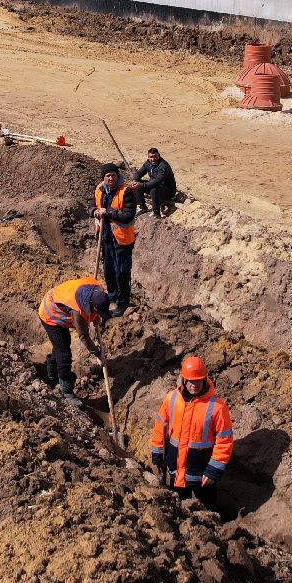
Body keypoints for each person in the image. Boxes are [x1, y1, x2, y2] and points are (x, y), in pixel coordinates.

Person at [150, 355, 234, 513]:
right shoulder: (172, 398)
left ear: (204, 379)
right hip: (175, 469)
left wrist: (214, 470)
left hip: (202, 473)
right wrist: (157, 452)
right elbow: (160, 427)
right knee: (177, 508)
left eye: (198, 380)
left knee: (208, 509)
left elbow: (224, 441)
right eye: (190, 380)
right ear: (182, 380)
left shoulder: (217, 407)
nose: (194, 384)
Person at [37, 275, 110, 404]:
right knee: (64, 352)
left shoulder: (96, 287)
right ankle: (66, 391)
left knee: (60, 346)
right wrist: (97, 353)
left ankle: (51, 377)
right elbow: (84, 336)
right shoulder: (78, 311)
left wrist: (95, 317)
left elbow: (92, 311)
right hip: (50, 315)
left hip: (58, 300)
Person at [92, 163, 138, 317]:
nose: (110, 178)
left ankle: (123, 302)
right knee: (108, 271)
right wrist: (94, 211)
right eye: (107, 176)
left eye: (113, 175)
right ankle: (112, 296)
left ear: (117, 176)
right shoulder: (100, 189)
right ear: (103, 178)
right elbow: (91, 204)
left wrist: (109, 212)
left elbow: (128, 215)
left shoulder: (126, 191)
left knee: (122, 273)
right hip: (106, 239)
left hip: (122, 241)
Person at [132, 147, 176, 218]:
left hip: (167, 191)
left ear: (159, 155)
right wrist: (135, 179)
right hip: (155, 186)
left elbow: (157, 181)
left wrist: (142, 185)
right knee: (137, 183)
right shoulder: (148, 163)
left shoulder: (163, 166)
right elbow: (139, 172)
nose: (153, 159)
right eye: (151, 157)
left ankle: (156, 213)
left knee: (153, 189)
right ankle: (142, 207)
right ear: (148, 157)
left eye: (155, 156)